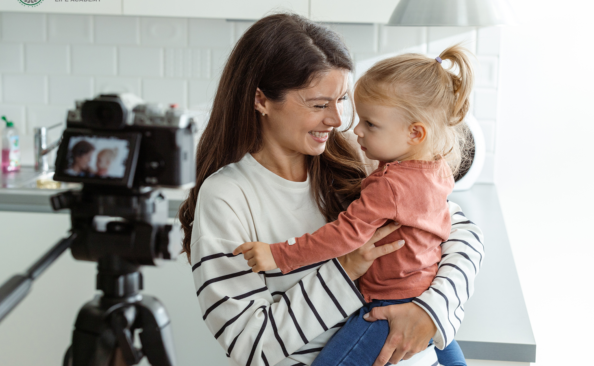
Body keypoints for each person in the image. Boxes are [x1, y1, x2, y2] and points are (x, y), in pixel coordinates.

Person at [178, 13, 484, 366]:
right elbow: (252, 345)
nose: (338, 121)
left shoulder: (361, 157)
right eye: (319, 104)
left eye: (340, 101)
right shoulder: (226, 198)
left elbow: (461, 233)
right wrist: (346, 268)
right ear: (261, 99)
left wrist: (431, 312)